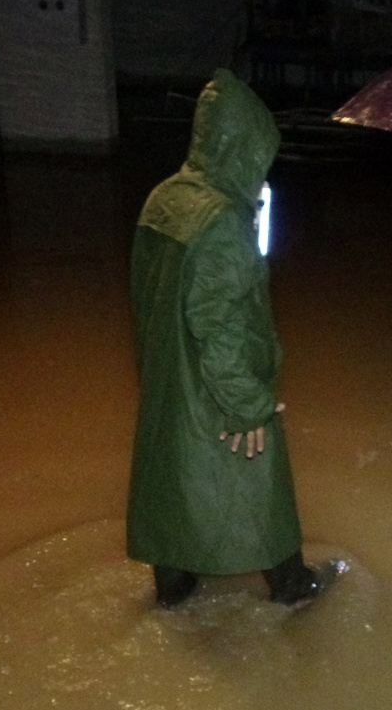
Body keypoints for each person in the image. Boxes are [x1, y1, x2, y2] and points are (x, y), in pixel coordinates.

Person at [126, 69, 321, 608]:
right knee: (262, 482)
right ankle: (293, 587)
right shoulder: (220, 222)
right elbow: (223, 325)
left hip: (168, 376)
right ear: (242, 146)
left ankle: (172, 593)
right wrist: (249, 405)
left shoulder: (165, 198)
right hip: (218, 386)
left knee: (173, 479)